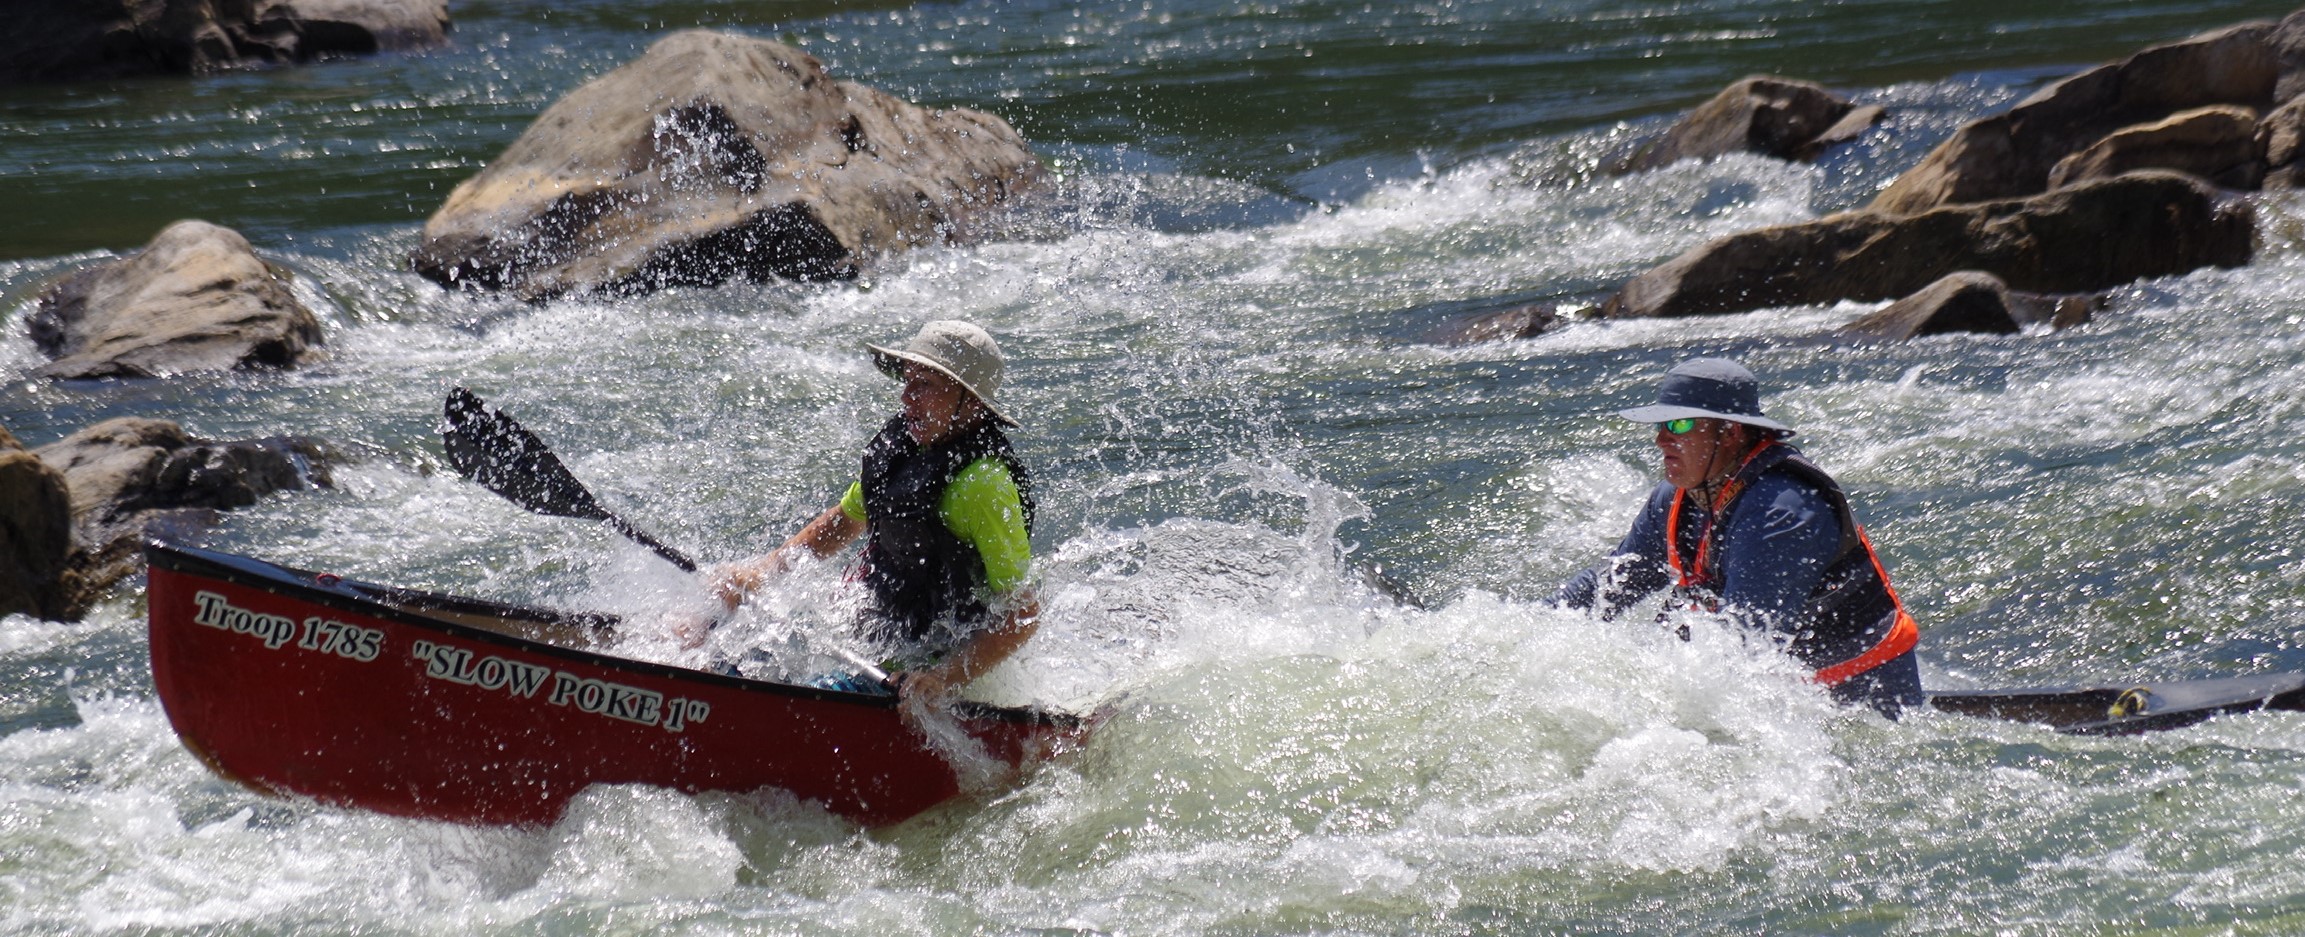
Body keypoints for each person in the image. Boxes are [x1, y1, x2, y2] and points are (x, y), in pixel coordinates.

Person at [1554, 357, 1924, 717]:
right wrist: (1534, 629)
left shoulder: (1782, 510)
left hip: (1863, 704)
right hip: (1784, 696)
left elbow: (1742, 648)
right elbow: (1610, 586)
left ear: (1730, 432)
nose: (1661, 439)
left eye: (1680, 424)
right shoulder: (1675, 498)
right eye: (1661, 424)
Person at [707, 320, 1038, 706]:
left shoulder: (985, 485)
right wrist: (762, 573)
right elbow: (843, 521)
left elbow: (1022, 614)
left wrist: (943, 679)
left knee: (813, 697)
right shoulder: (903, 450)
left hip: (923, 667)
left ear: (972, 402)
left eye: (925, 384)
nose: (907, 397)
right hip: (874, 637)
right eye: (908, 381)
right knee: (719, 647)